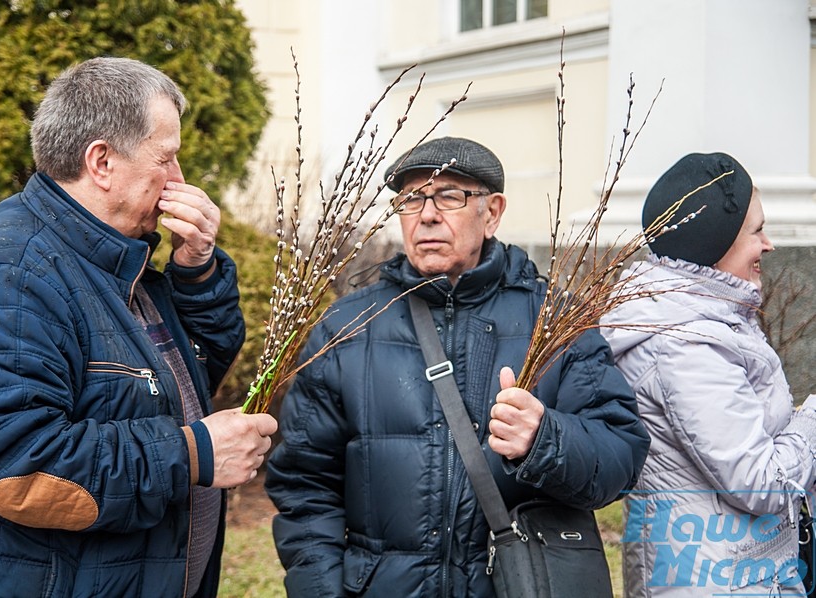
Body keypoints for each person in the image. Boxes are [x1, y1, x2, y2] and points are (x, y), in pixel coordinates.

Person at [0, 57, 277, 598]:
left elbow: (187, 382)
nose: (179, 180)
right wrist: (192, 454)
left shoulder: (116, 266)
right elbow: (16, 472)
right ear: (102, 161)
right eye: (167, 158)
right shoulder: (11, 276)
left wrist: (197, 270)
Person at [264, 136, 651, 597]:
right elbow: (304, 485)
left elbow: (621, 457)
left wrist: (544, 439)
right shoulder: (347, 328)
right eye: (411, 199)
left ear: (492, 213)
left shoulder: (554, 323)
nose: (427, 214)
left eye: (449, 196)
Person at [600, 152, 816, 596]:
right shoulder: (685, 344)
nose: (768, 244)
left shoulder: (697, 319)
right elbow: (762, 483)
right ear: (716, 242)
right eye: (756, 231)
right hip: (719, 581)